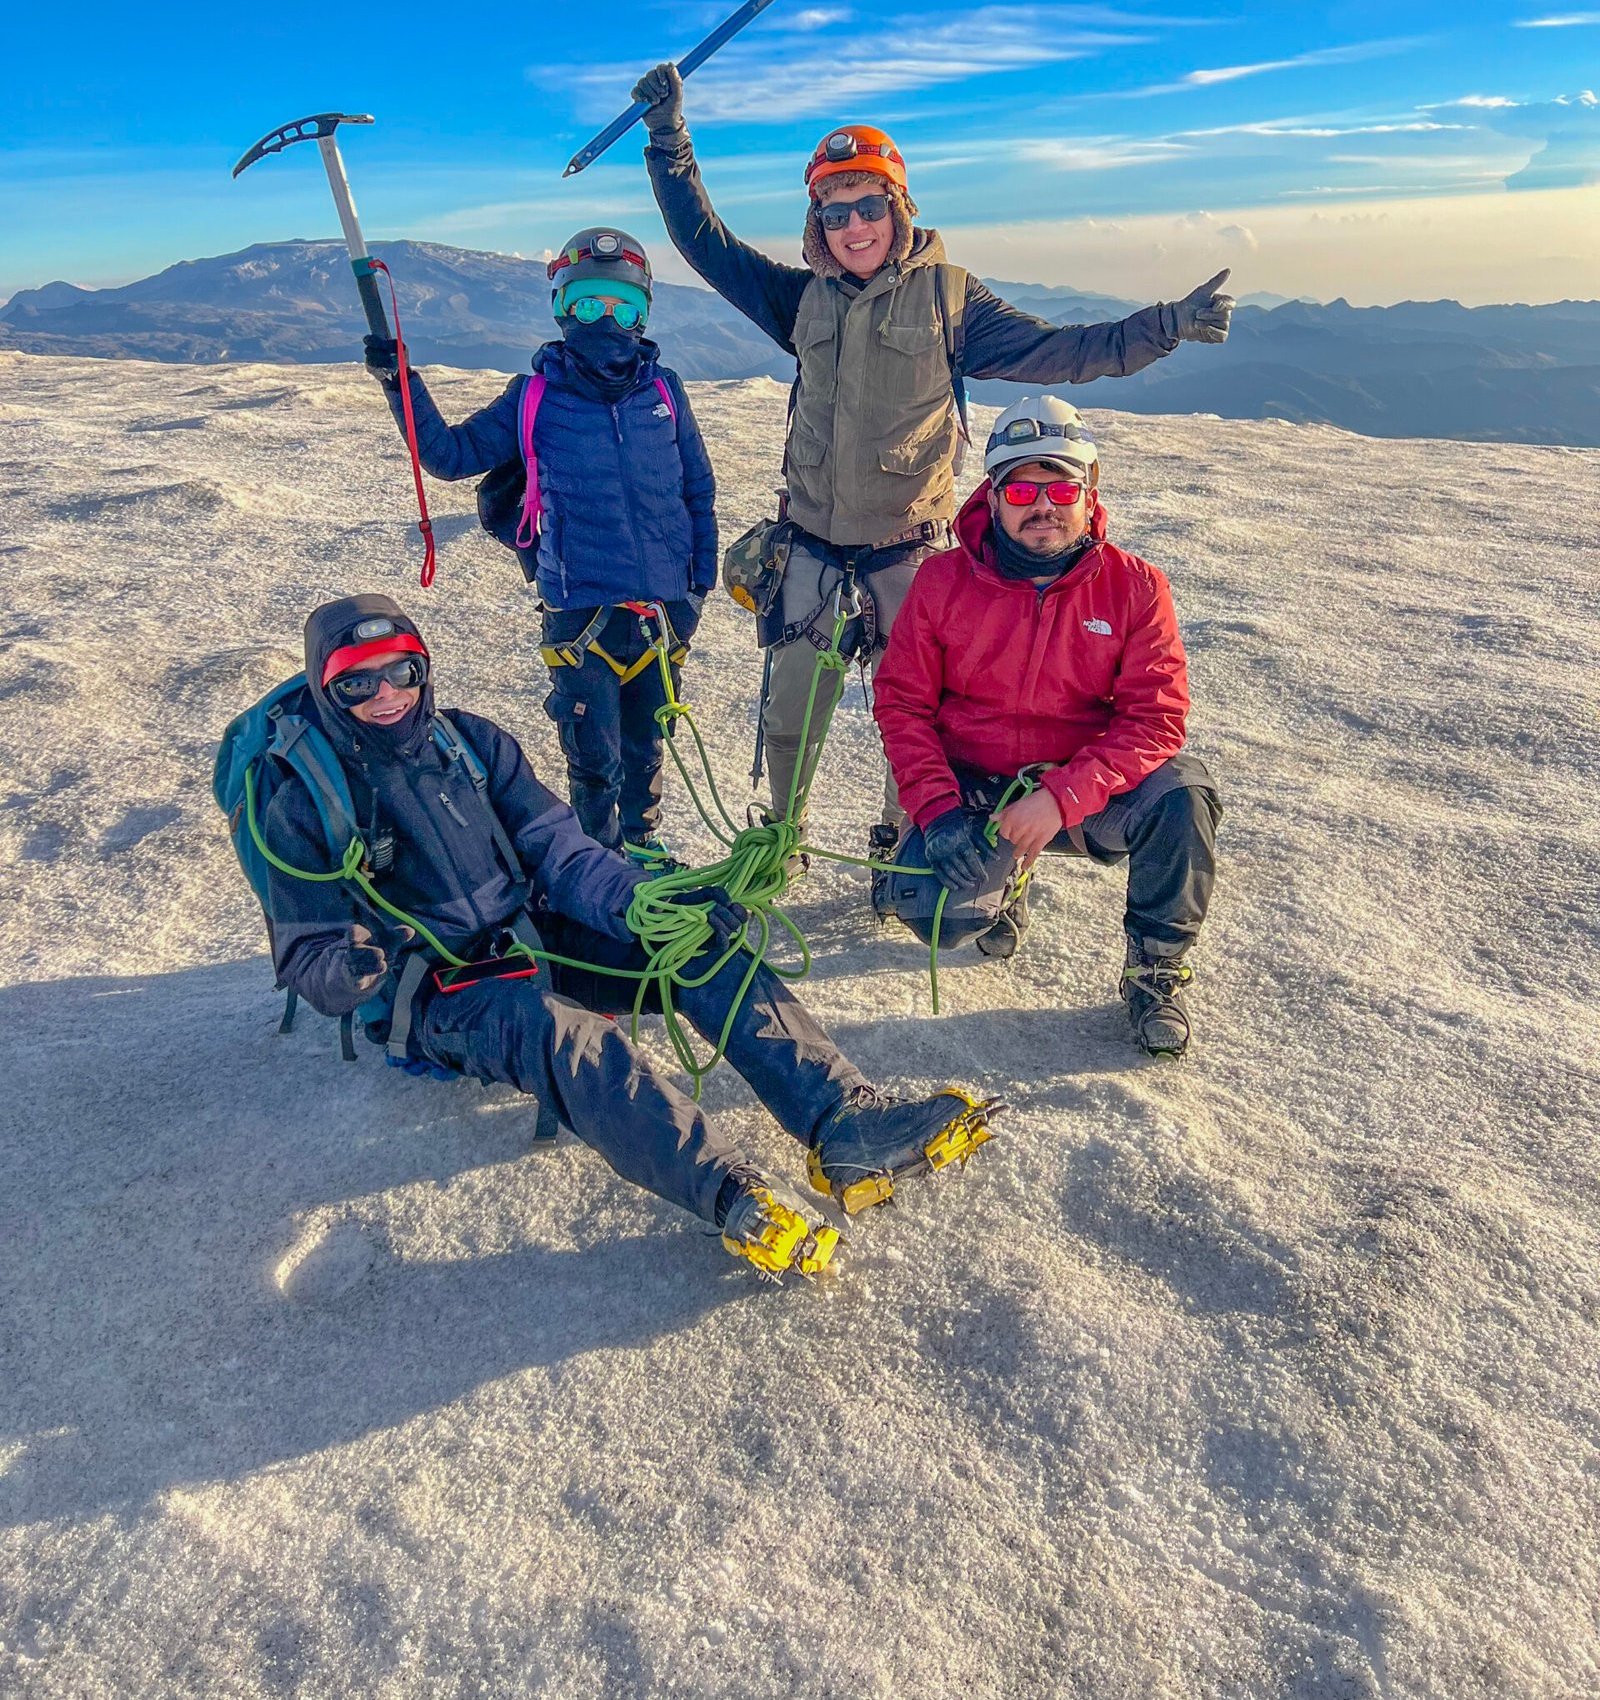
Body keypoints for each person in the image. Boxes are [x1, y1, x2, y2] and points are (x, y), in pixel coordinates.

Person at [260, 594, 1000, 1279]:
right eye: (358, 683)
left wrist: (652, 906)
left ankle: (842, 1123)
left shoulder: (471, 742)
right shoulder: (302, 798)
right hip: (435, 992)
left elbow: (564, 852)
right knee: (564, 1033)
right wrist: (345, 968)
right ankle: (726, 1193)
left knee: (696, 949)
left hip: (532, 934)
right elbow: (304, 950)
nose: (387, 695)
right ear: (328, 690)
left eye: (402, 672)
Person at [630, 62, 1233, 866]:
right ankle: (780, 838)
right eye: (834, 210)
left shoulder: (952, 299)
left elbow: (1059, 352)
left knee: (914, 714)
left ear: (898, 206)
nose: (854, 225)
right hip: (807, 541)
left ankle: (899, 842)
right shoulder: (801, 297)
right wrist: (670, 140)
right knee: (790, 713)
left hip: (906, 547)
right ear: (819, 221)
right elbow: (706, 245)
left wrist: (1165, 325)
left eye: (869, 204)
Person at [870, 398, 1222, 1058]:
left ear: (1089, 496)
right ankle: (998, 887)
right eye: (1024, 489)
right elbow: (902, 702)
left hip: (1083, 793)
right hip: (976, 788)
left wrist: (1062, 796)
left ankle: (1156, 970)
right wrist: (938, 812)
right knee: (929, 909)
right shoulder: (943, 581)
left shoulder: (1134, 588)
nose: (1044, 506)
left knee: (1183, 798)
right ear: (994, 496)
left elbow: (1156, 717)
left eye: (1063, 488)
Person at [364, 227, 716, 865]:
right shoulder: (534, 398)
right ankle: (601, 865)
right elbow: (448, 454)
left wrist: (697, 590)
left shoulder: (665, 392)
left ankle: (644, 846)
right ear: (561, 307)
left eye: (623, 306)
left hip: (664, 611)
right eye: (588, 303)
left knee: (647, 741)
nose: (607, 318)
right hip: (579, 612)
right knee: (595, 755)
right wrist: (400, 380)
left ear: (644, 312)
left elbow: (697, 489)